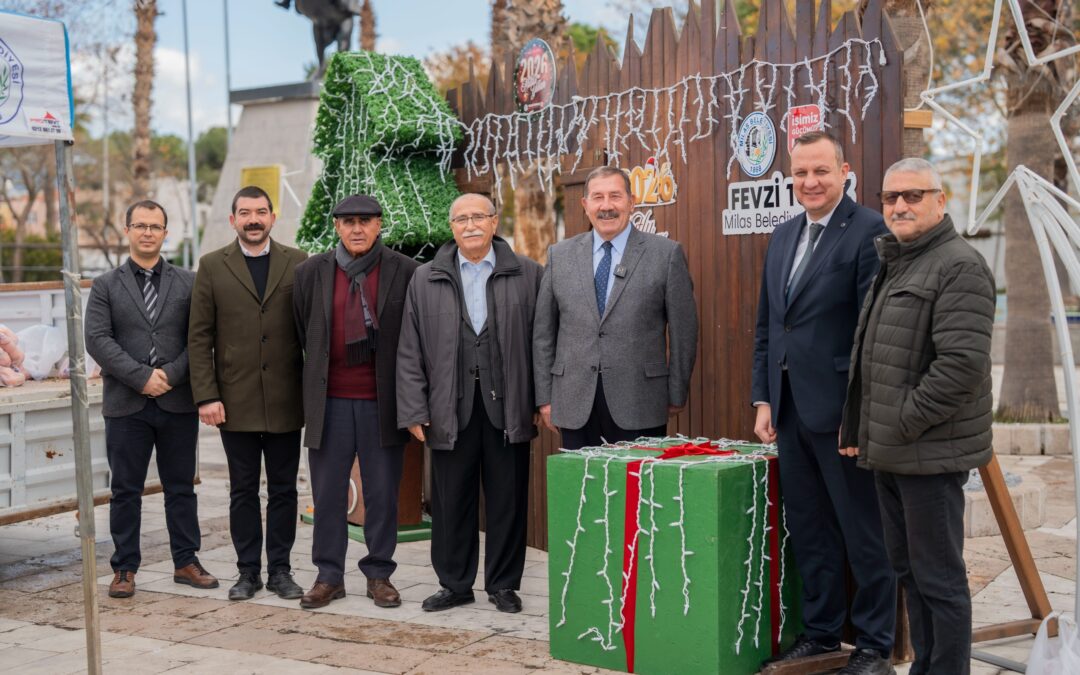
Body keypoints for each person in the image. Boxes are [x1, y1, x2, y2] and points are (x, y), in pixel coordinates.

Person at [840, 158, 994, 675]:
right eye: (890, 198)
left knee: (940, 581)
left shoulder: (959, 265)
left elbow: (961, 368)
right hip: (893, 452)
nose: (900, 206)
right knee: (910, 572)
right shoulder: (899, 260)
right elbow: (876, 359)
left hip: (928, 453)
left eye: (913, 195)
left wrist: (902, 421)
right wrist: (863, 429)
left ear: (940, 201)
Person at [751, 131, 895, 674]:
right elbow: (769, 324)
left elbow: (870, 333)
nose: (810, 182)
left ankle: (876, 644)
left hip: (841, 416)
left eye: (821, 171)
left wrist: (857, 414)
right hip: (788, 411)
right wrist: (763, 399)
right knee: (809, 529)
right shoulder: (783, 235)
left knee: (863, 531)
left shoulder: (868, 231)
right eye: (801, 173)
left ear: (844, 172)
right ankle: (822, 634)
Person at [396, 194, 542, 613]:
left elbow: (542, 343)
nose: (470, 224)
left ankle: (503, 585)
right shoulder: (425, 279)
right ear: (452, 226)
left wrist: (540, 399)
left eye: (479, 216)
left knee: (508, 501)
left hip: (508, 408)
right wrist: (414, 409)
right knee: (449, 501)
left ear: (495, 222)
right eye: (461, 218)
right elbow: (409, 350)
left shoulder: (529, 274)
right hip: (448, 409)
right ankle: (455, 584)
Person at [85, 200, 218, 599]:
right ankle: (124, 567)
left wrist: (171, 375)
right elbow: (98, 340)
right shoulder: (105, 285)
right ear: (127, 231)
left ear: (165, 233)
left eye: (155, 226)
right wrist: (142, 377)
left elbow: (202, 337)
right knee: (125, 489)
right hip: (127, 405)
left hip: (177, 402)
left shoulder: (190, 282)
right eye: (140, 225)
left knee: (181, 487)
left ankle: (186, 562)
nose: (147, 232)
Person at [292, 194, 418, 609]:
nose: (357, 228)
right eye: (348, 222)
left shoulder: (404, 271)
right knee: (328, 495)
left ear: (380, 224)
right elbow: (301, 331)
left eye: (365, 220)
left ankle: (379, 574)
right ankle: (329, 576)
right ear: (336, 227)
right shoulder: (311, 272)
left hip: (383, 403)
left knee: (382, 494)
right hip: (329, 403)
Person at [188, 185, 308, 602]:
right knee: (242, 490)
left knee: (284, 490)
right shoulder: (211, 266)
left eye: (261, 211)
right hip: (232, 403)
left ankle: (280, 570)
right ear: (232, 219)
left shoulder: (298, 262)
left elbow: (311, 331)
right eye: (245, 212)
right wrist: (206, 395)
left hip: (286, 400)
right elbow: (199, 337)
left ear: (272, 217)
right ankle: (248, 572)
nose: (253, 219)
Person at [532, 166, 698, 449]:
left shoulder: (665, 254)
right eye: (597, 197)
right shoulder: (559, 256)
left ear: (631, 203)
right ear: (585, 205)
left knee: (635, 491)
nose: (606, 206)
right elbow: (543, 333)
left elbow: (685, 331)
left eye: (615, 196)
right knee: (581, 491)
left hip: (640, 400)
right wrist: (545, 398)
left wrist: (675, 391)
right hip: (573, 402)